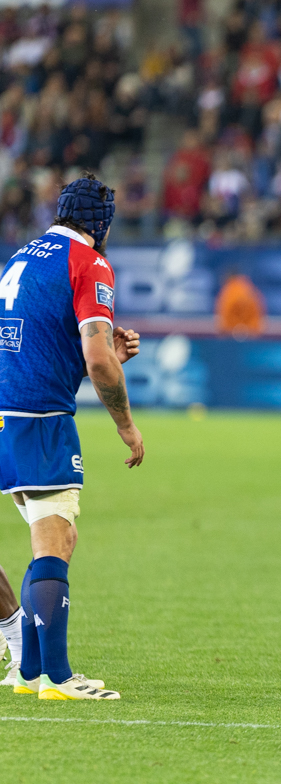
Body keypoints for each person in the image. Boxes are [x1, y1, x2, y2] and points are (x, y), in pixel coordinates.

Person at [0, 173, 144, 699]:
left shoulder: (22, 256)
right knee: (54, 543)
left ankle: (28, 671)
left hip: (5, 413)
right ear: (99, 222)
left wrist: (99, 358)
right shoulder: (89, 262)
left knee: (51, 538)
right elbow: (98, 359)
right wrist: (127, 426)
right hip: (40, 418)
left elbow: (38, 346)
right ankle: (58, 679)